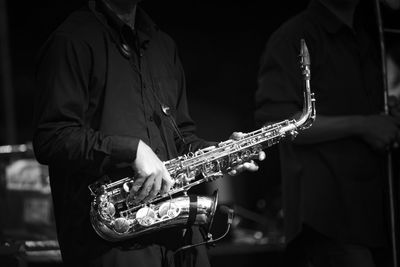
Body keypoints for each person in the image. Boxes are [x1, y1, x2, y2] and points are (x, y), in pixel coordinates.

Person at [32, 0, 265, 266]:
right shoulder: (70, 41)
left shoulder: (162, 45)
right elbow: (51, 138)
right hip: (114, 242)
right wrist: (133, 150)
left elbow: (180, 137)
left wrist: (218, 153)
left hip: (180, 238)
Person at [254, 0, 400, 266]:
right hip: (329, 222)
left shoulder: (368, 34)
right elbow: (276, 124)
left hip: (373, 214)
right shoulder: (294, 35)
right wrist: (363, 124)